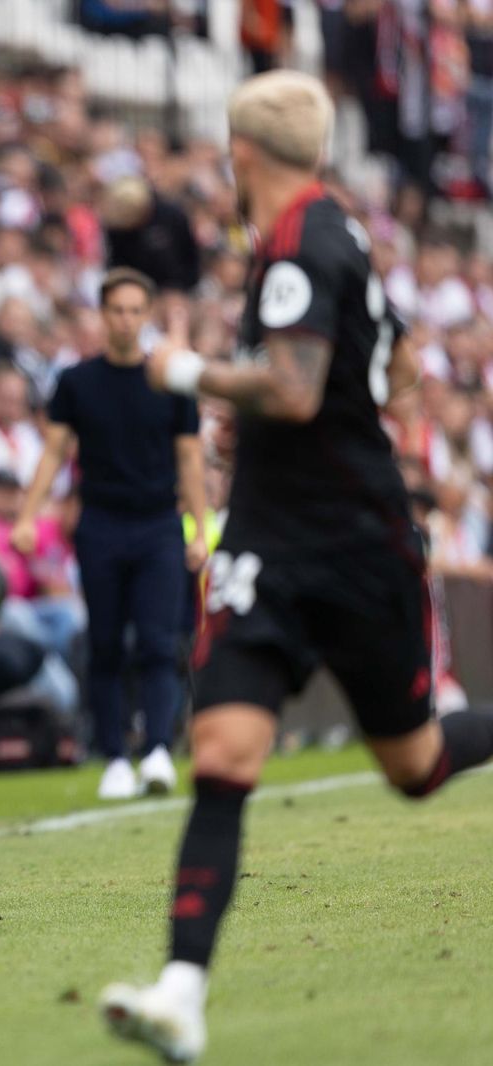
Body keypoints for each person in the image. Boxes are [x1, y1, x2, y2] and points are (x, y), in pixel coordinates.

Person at [101, 71, 493, 1063]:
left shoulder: (303, 241)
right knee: (225, 755)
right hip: (268, 545)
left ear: (242, 155)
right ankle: (181, 992)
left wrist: (186, 371)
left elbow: (291, 386)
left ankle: (181, 989)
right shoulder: (336, 235)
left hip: (356, 553)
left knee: (416, 766)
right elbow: (400, 364)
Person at [13, 268, 208, 801]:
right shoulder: (77, 382)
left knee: (158, 642)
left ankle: (159, 750)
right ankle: (115, 757)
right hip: (100, 525)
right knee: (104, 644)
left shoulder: (170, 380)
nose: (124, 319)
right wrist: (29, 516)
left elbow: (189, 458)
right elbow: (54, 451)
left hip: (160, 526)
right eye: (115, 310)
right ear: (103, 315)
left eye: (133, 310)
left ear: (146, 316)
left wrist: (199, 528)